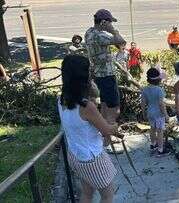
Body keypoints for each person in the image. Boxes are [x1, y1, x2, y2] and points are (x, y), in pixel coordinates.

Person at [58, 55, 123, 203]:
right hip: (92, 158)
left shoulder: (61, 99)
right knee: (108, 194)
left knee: (87, 193)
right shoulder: (87, 106)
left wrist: (93, 94)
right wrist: (114, 124)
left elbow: (84, 123)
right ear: (84, 78)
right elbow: (106, 130)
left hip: (75, 155)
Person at [85, 9, 126, 126]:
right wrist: (113, 31)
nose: (111, 24)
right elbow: (121, 42)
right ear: (103, 22)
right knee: (114, 108)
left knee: (104, 104)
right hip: (107, 74)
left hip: (98, 73)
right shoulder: (100, 35)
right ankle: (108, 135)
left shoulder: (89, 32)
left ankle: (103, 133)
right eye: (110, 22)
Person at [141, 68, 170, 156]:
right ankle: (160, 150)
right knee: (160, 131)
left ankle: (153, 144)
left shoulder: (145, 89)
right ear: (158, 79)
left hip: (150, 112)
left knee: (152, 129)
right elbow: (161, 104)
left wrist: (143, 113)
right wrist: (166, 115)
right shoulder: (159, 90)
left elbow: (143, 103)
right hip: (159, 114)